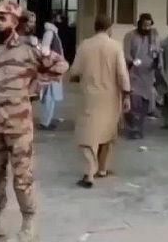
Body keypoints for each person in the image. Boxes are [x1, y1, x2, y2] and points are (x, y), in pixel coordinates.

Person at [0, 0, 68, 242]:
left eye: (2, 18)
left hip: (18, 126)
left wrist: (38, 82)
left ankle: (28, 222)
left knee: (22, 177)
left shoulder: (29, 49)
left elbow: (60, 65)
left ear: (15, 23)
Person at [69, 14, 131, 188]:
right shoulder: (115, 46)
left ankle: (89, 173)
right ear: (110, 28)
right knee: (107, 132)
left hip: (89, 97)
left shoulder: (84, 45)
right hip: (111, 97)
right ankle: (102, 169)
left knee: (88, 135)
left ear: (94, 27)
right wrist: (126, 95)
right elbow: (122, 74)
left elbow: (74, 72)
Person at [122, 13, 160, 139]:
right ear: (139, 24)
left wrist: (157, 62)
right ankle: (133, 127)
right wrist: (132, 61)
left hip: (148, 75)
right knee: (134, 100)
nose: (146, 28)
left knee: (144, 103)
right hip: (134, 73)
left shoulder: (154, 36)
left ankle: (138, 127)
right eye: (144, 25)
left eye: (149, 25)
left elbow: (158, 52)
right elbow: (126, 54)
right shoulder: (130, 36)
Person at [38, 11, 65, 131]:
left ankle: (47, 120)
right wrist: (54, 59)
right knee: (49, 96)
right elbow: (44, 49)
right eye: (59, 17)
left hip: (53, 67)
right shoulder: (50, 32)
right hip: (51, 67)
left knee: (51, 96)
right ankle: (45, 122)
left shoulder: (53, 32)